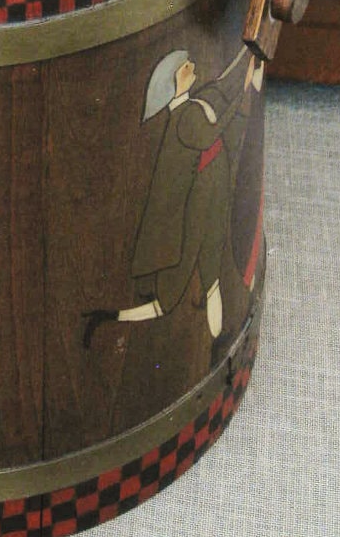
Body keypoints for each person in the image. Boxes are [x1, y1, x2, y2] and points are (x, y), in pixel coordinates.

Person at [84, 44, 263, 350]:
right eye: (185, 69)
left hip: (213, 192)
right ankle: (114, 317)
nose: (191, 66)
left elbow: (218, 99)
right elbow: (212, 131)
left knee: (211, 267)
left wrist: (242, 84)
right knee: (184, 280)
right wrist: (244, 91)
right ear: (173, 84)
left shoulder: (193, 106)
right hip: (199, 203)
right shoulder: (184, 119)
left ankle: (218, 342)